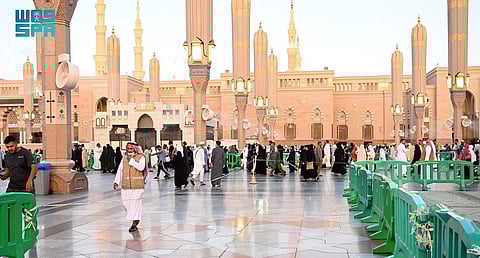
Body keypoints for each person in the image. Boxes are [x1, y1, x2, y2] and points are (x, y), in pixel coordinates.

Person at [113, 142, 147, 232]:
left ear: (135, 149)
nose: (129, 150)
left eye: (131, 149)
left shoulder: (141, 157)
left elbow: (141, 167)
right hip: (126, 186)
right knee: (126, 203)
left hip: (137, 186)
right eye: (128, 148)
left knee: (135, 203)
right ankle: (134, 218)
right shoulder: (124, 158)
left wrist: (132, 161)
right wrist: (116, 181)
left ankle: (135, 222)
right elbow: (120, 170)